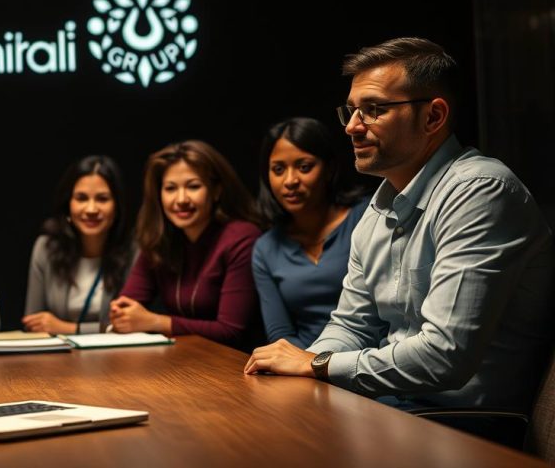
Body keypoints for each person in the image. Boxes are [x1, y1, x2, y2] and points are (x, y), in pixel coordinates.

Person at [244, 37, 554, 412]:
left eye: (373, 109)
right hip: (396, 409)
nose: (352, 128)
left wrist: (317, 364)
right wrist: (299, 367)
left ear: (433, 117)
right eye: (351, 111)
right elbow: (351, 326)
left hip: (470, 423)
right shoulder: (376, 210)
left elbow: (444, 357)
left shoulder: (480, 191)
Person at [111, 140, 264, 350]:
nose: (181, 199)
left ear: (216, 190)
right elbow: (125, 310)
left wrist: (155, 322)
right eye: (170, 188)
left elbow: (231, 332)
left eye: (193, 186)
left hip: (238, 367)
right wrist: (123, 316)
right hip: (184, 362)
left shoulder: (241, 238)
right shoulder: (159, 238)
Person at [251, 117, 370, 348]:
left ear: (329, 169)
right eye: (278, 169)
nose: (290, 181)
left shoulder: (366, 217)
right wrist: (308, 366)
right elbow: (280, 335)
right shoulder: (266, 248)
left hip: (367, 362)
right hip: (301, 366)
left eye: (304, 167)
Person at [22, 155, 134, 335]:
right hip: (58, 358)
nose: (91, 209)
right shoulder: (46, 248)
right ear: (68, 204)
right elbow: (33, 323)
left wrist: (69, 329)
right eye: (81, 198)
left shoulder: (135, 252)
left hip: (117, 357)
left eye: (102, 199)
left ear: (117, 206)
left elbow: (133, 325)